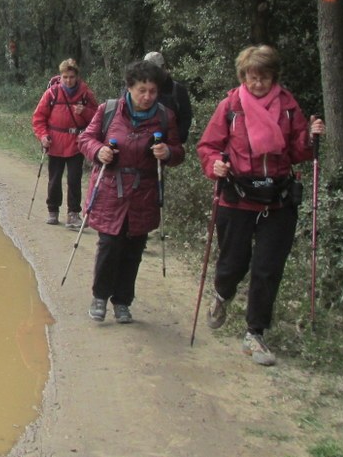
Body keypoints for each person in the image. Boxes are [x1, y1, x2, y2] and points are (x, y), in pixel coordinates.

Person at [196, 44, 325, 366]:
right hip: (237, 197)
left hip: (278, 199)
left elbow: (297, 152)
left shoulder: (288, 107)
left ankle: (255, 334)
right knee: (233, 264)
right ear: (243, 76)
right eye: (252, 78)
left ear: (273, 77)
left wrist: (310, 137)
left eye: (264, 78)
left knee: (267, 269)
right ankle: (222, 294)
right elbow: (208, 145)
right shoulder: (230, 106)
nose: (258, 84)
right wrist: (215, 165)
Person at [78, 60, 184, 324]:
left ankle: (123, 301)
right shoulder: (109, 110)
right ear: (129, 88)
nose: (147, 96)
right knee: (109, 244)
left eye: (152, 91)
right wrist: (98, 151)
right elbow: (85, 139)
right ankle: (100, 297)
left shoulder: (164, 116)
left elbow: (178, 151)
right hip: (110, 189)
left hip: (144, 193)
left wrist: (168, 152)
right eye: (142, 90)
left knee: (134, 248)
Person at [31, 59, 98, 229]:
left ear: (77, 76)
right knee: (54, 179)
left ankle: (73, 214)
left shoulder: (85, 94)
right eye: (65, 77)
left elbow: (98, 118)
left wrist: (86, 112)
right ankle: (53, 211)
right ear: (60, 77)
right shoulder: (52, 94)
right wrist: (43, 136)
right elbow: (39, 118)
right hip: (54, 143)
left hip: (76, 143)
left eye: (71, 77)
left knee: (74, 179)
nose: (68, 80)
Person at [144, 51, 194, 143]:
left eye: (155, 70)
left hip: (170, 147)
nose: (152, 74)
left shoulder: (178, 90)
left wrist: (175, 141)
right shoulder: (137, 89)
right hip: (143, 146)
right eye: (148, 70)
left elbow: (186, 119)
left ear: (163, 67)